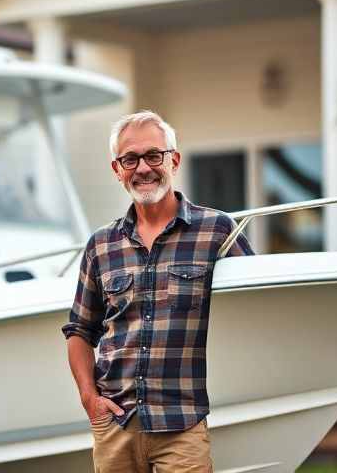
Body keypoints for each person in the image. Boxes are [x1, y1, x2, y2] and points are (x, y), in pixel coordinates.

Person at [61, 111, 255, 473]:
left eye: (153, 155)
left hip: (182, 424)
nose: (143, 168)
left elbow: (260, 303)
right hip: (115, 426)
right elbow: (79, 331)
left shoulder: (217, 232)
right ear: (117, 170)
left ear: (174, 160)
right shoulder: (101, 245)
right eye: (130, 159)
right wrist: (90, 398)